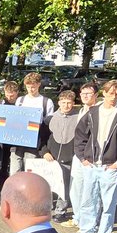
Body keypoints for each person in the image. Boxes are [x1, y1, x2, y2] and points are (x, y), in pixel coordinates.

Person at [72, 79, 117, 233]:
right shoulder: (93, 112)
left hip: (110, 166)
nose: (113, 97)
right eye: (111, 93)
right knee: (88, 201)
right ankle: (86, 232)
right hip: (91, 164)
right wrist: (83, 157)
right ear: (104, 93)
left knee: (108, 205)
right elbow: (80, 134)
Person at [62, 82, 99, 230]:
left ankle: (91, 223)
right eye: (82, 93)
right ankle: (78, 217)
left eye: (88, 94)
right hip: (78, 155)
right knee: (75, 189)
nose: (84, 96)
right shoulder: (82, 110)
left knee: (90, 192)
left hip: (90, 157)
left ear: (96, 95)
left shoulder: (98, 111)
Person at [42, 90, 79, 220]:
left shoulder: (79, 118)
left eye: (69, 103)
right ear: (59, 103)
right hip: (51, 158)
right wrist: (44, 151)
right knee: (48, 184)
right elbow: (41, 138)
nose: (66, 105)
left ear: (73, 103)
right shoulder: (49, 119)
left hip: (69, 159)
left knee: (65, 185)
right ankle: (44, 208)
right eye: (63, 102)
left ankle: (60, 211)